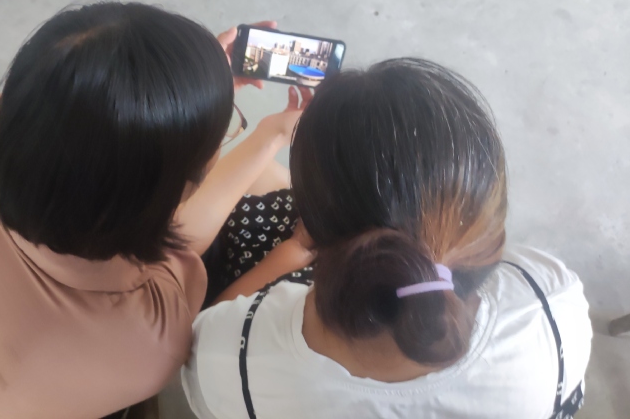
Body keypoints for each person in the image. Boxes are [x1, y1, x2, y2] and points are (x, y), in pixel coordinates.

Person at [0, 2, 309, 419]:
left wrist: (191, 94)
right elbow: (174, 253)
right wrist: (269, 135)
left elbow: (89, 126)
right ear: (161, 197)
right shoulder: (143, 341)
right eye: (225, 132)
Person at [183, 59, 593, 419]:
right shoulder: (550, 305)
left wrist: (267, 133)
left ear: (310, 226)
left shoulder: (234, 359)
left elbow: (204, 335)